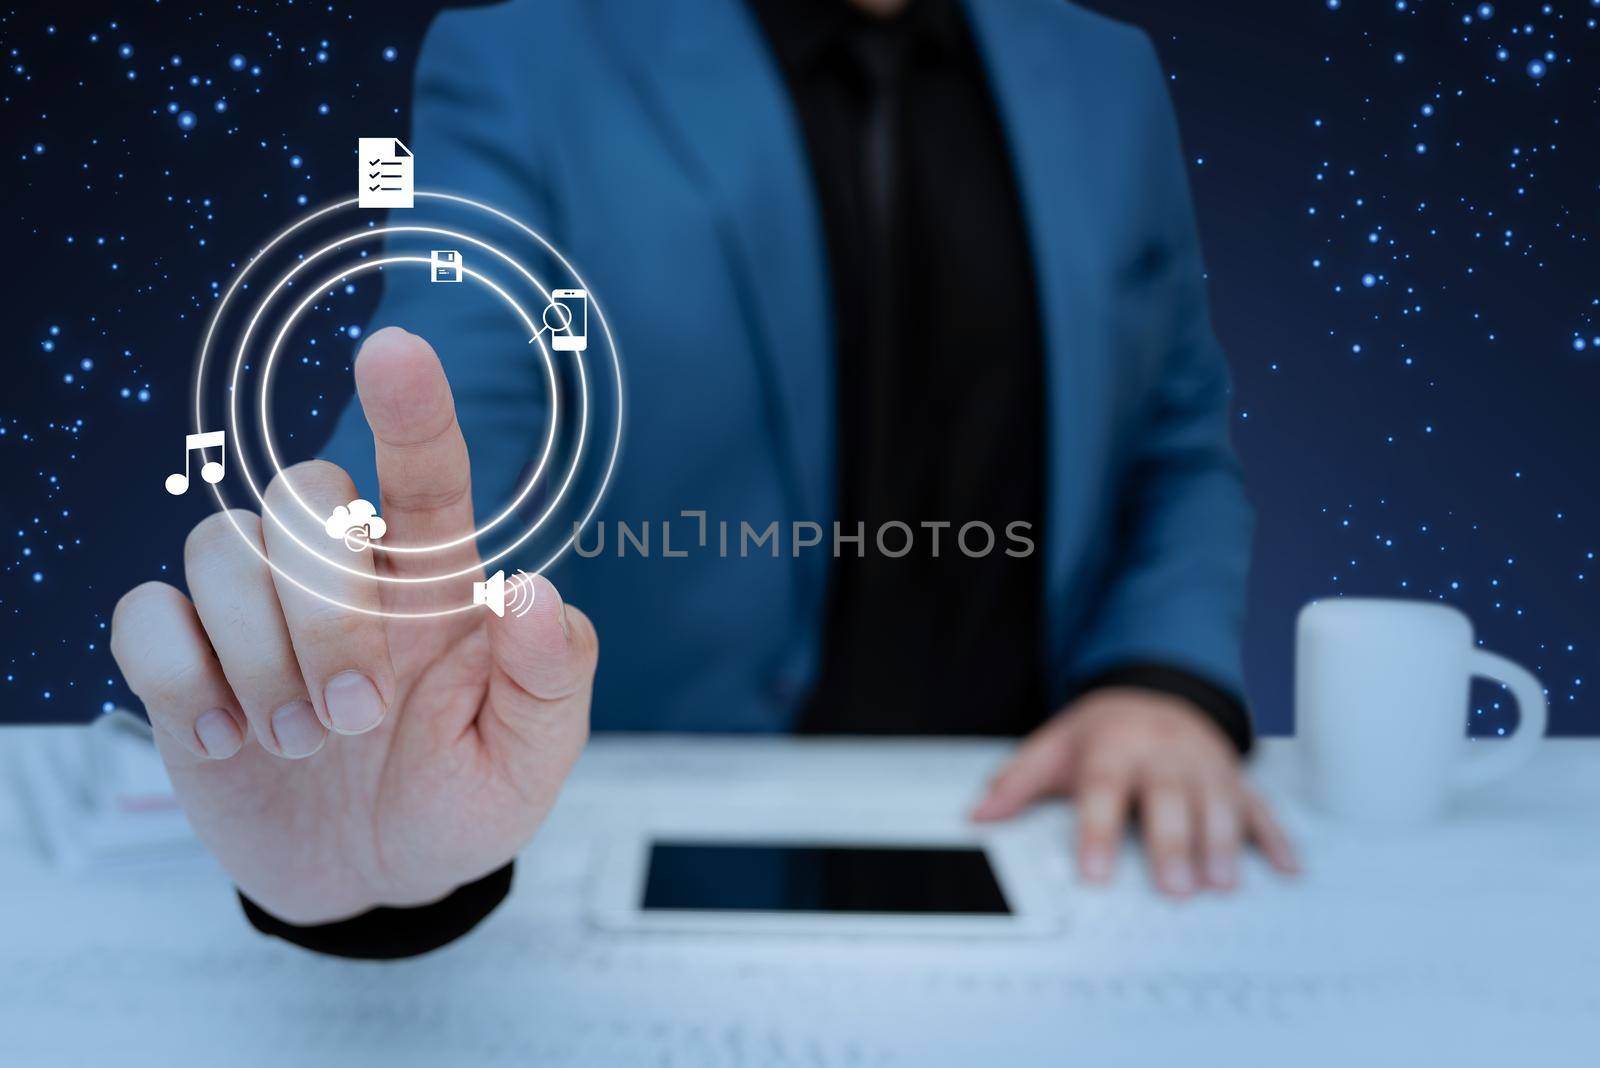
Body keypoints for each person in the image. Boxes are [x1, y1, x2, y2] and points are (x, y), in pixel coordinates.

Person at [110, 0, 1295, 958]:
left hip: (1041, 818)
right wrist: (356, 641)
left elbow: (1174, 436)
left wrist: (1163, 677)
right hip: (659, 837)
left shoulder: (1106, 72)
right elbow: (463, 366)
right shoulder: (526, 53)